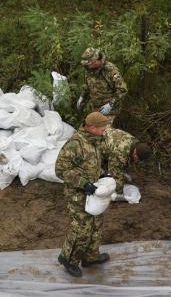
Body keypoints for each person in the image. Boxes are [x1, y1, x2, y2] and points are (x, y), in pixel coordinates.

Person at [55, 112, 111, 278]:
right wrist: (83, 183)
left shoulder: (94, 141)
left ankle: (90, 257)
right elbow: (60, 170)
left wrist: (102, 175)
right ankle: (68, 258)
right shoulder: (75, 144)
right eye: (102, 128)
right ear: (92, 127)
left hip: (93, 193)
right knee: (82, 228)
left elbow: (90, 165)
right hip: (77, 195)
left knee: (96, 223)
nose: (104, 130)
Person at [76, 48, 128, 126]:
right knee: (88, 130)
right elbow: (87, 85)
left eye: (90, 63)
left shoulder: (110, 70)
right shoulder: (89, 70)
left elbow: (122, 89)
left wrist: (110, 104)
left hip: (110, 111)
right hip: (95, 109)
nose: (88, 65)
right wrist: (82, 97)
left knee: (104, 132)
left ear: (97, 60)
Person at [101, 127, 151, 195]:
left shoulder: (134, 142)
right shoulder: (121, 152)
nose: (137, 161)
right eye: (137, 159)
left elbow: (126, 161)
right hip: (96, 143)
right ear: (135, 154)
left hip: (106, 135)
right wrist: (119, 191)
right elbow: (115, 174)